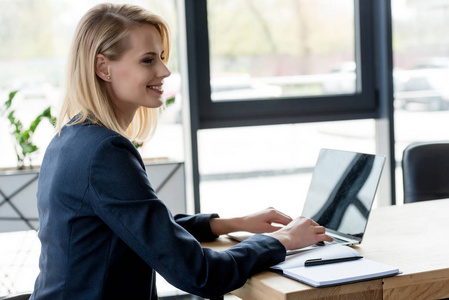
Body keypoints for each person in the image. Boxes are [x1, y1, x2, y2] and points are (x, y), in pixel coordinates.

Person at [30, 3, 332, 300]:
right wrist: (280, 240)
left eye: (161, 57)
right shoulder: (104, 152)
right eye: (148, 60)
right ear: (103, 68)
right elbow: (198, 274)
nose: (164, 70)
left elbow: (138, 224)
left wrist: (230, 224)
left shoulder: (69, 139)